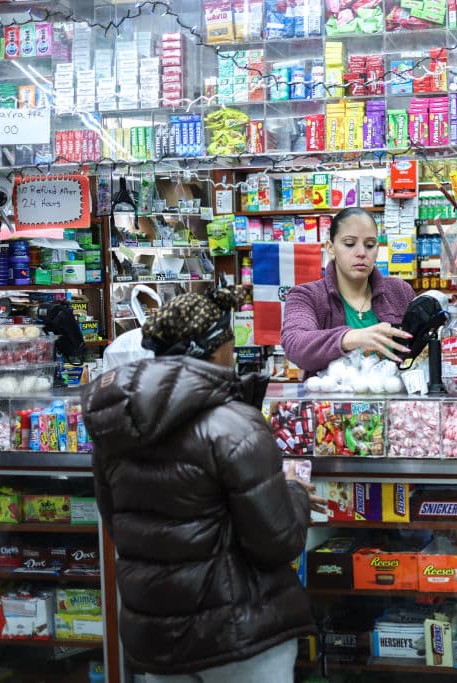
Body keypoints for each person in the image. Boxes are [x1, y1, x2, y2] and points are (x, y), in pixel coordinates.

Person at [81, 286, 323, 682]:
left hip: (158, 637)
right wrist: (293, 493)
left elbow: (119, 527)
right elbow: (277, 542)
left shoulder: (116, 427)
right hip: (238, 635)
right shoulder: (235, 425)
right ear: (215, 349)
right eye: (230, 341)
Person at [282, 206, 416, 375]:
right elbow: (295, 345)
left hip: (394, 399)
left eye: (370, 245)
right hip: (330, 401)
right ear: (331, 248)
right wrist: (350, 338)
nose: (361, 253)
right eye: (349, 244)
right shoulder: (306, 296)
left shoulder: (400, 291)